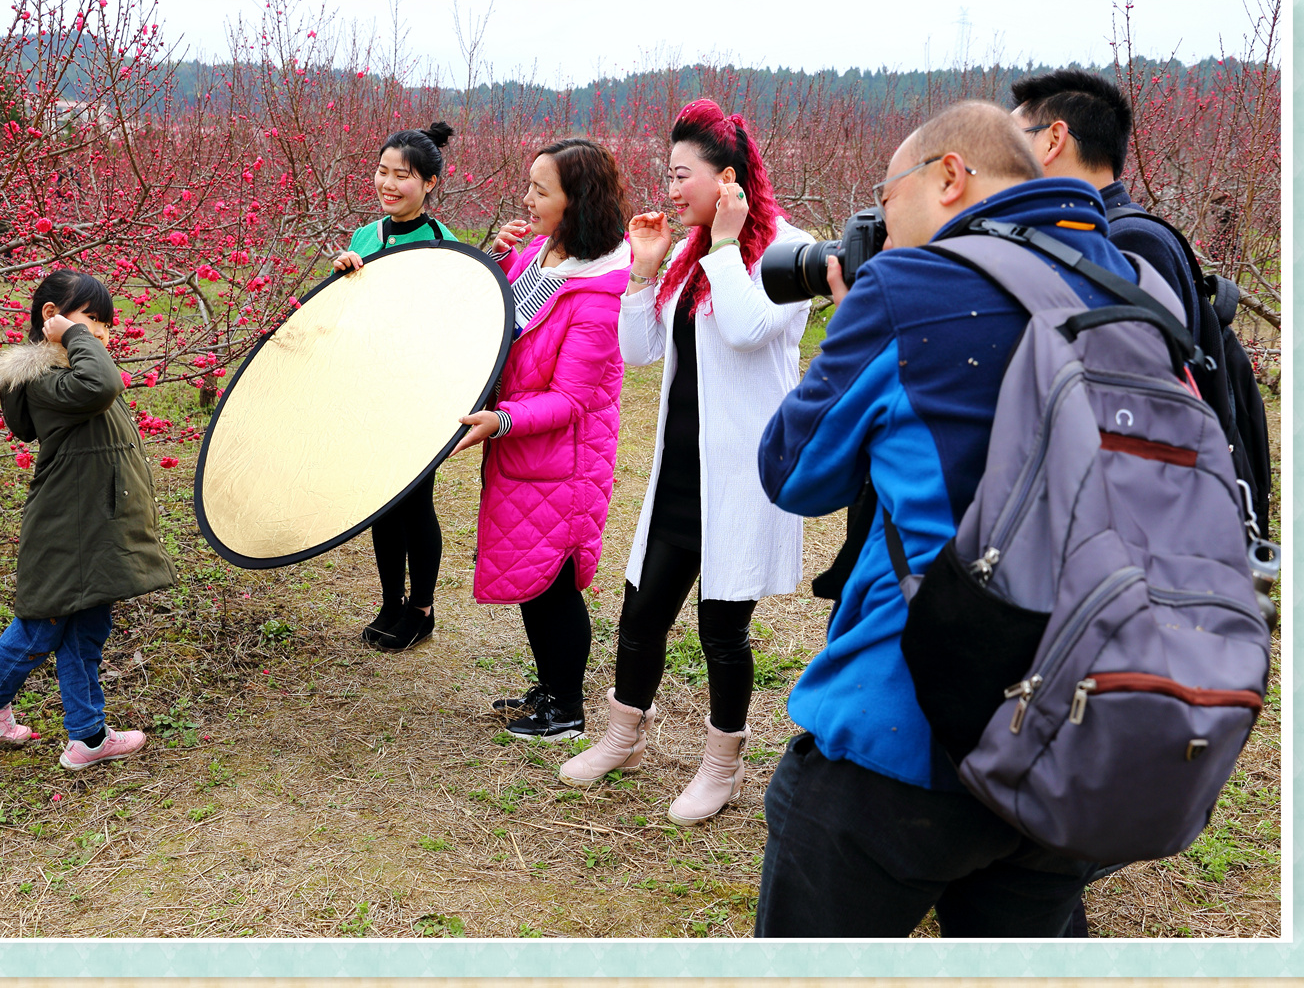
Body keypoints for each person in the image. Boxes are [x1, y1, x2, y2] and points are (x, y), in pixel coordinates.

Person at [752, 101, 1152, 937]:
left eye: (884, 198)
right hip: (1073, 731)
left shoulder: (909, 287)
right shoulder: (1134, 288)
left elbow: (793, 472)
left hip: (905, 732)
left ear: (948, 176)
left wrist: (855, 315)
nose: (881, 224)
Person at [554, 99, 808, 825]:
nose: (668, 188)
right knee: (641, 612)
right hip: (680, 471)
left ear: (727, 179)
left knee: (721, 629)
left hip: (741, 476)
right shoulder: (690, 255)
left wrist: (724, 247)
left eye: (680, 174)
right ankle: (623, 737)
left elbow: (751, 329)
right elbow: (639, 351)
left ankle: (721, 766)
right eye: (666, 174)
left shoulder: (788, 248)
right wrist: (644, 273)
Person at [1009, 69, 1271, 537]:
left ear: (1053, 140)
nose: (1000, 159)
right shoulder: (1107, 234)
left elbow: (1140, 418)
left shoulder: (1126, 243)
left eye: (1011, 140)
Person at [0, 270, 176, 771]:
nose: (100, 332)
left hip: (91, 517)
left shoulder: (67, 369)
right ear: (51, 316)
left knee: (87, 624)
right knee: (45, 620)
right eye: (90, 319)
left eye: (105, 323)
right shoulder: (46, 378)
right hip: (69, 522)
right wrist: (75, 336)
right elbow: (102, 385)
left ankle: (89, 736)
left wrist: (76, 337)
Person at [450, 138, 632, 739]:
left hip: (563, 462)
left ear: (576, 201)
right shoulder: (543, 250)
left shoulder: (601, 293)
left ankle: (566, 708)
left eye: (540, 190)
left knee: (552, 585)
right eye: (529, 185)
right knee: (533, 580)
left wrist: (500, 421)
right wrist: (500, 262)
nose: (527, 199)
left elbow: (572, 399)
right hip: (528, 454)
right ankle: (549, 686)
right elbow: (511, 325)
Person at [331, 122, 460, 652]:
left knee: (416, 504)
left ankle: (421, 610)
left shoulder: (446, 246)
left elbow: (456, 328)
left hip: (420, 394)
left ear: (429, 183)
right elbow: (346, 316)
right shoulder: (366, 236)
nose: (388, 184)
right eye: (382, 171)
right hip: (371, 391)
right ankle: (391, 602)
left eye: (402, 176)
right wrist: (342, 277)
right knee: (381, 503)